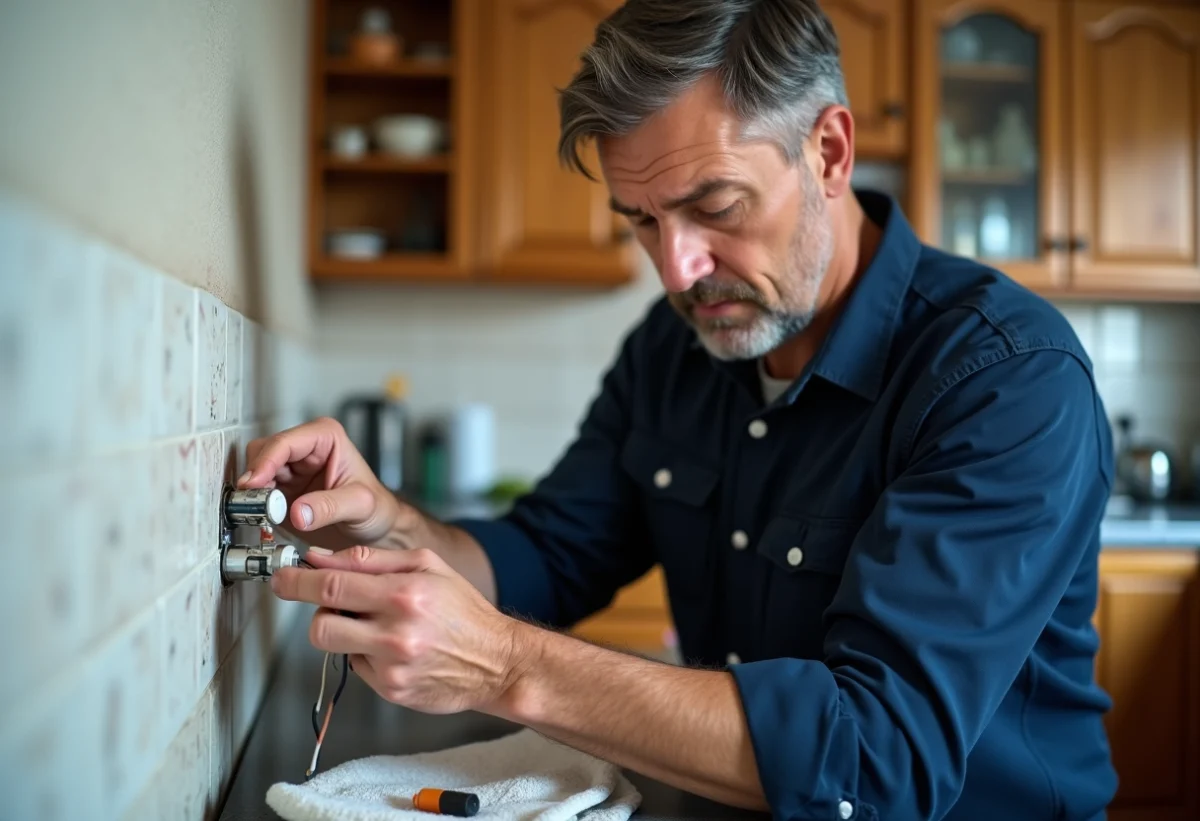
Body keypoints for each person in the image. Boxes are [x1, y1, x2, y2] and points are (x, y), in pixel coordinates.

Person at [243, 1, 1117, 818]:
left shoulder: (1005, 378)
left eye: (715, 208)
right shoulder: (673, 351)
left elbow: (874, 759)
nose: (677, 271)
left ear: (830, 153)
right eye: (642, 223)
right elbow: (549, 552)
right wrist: (394, 530)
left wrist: (507, 664)